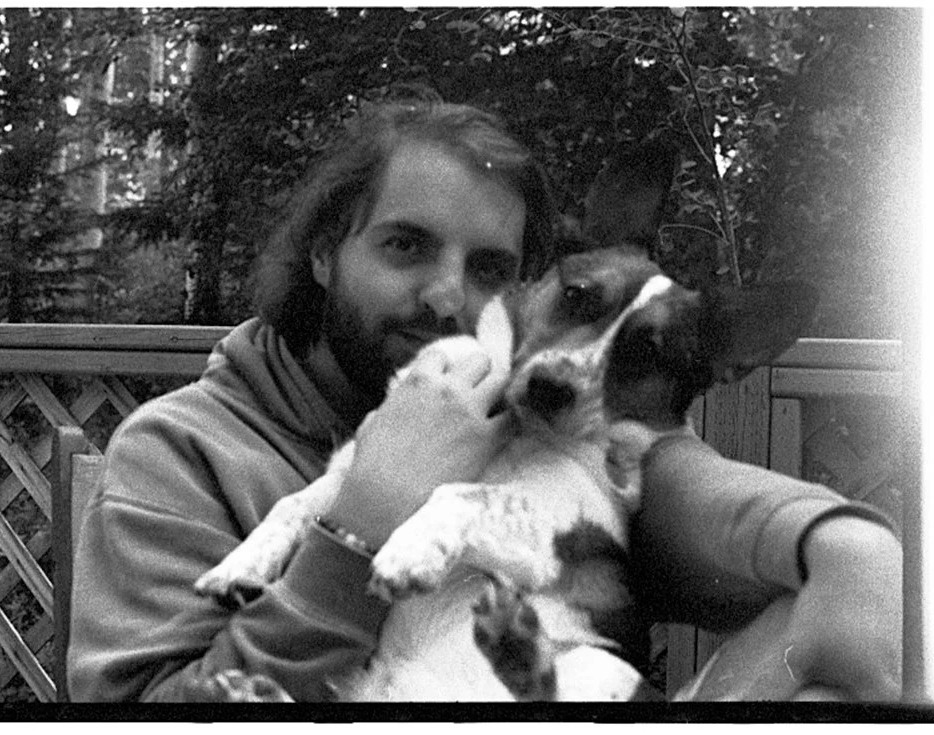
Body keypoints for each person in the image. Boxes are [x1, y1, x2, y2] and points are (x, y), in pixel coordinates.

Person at [65, 94, 902, 703]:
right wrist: (359, 525)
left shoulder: (529, 407)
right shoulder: (180, 450)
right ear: (324, 252)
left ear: (526, 286)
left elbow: (651, 489)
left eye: (490, 268)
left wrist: (828, 533)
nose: (446, 297)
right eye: (405, 246)